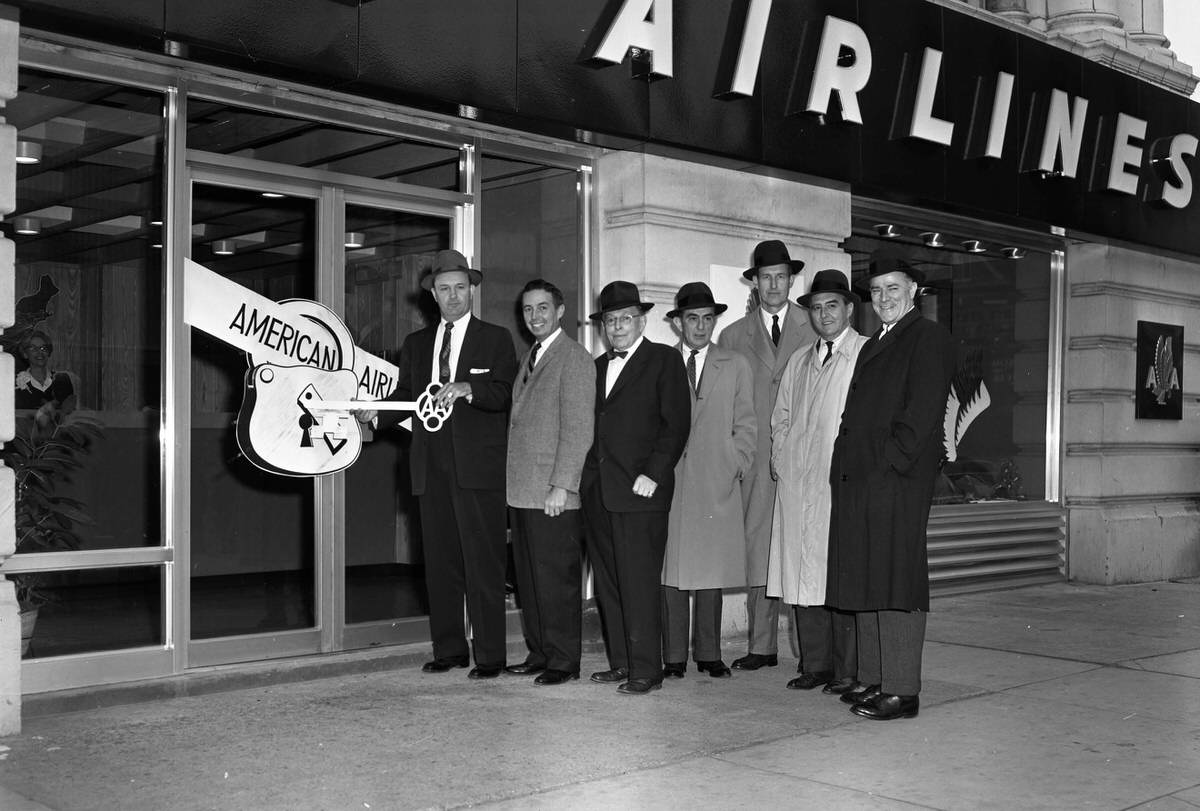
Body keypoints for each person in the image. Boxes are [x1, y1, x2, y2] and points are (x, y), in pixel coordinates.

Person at [356, 249, 517, 679]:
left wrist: (469, 387)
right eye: (444, 289)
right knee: (440, 564)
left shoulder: (496, 339)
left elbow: (506, 394)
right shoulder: (416, 344)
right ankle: (449, 650)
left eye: (460, 288)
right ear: (433, 295)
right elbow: (406, 396)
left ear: (472, 290)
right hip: (431, 467)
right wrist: (378, 413)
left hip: (478, 472)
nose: (453, 297)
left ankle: (490, 657)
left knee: (483, 566)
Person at [827, 257, 955, 721]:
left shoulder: (927, 337)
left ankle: (902, 691)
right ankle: (876, 678)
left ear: (914, 289)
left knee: (897, 577)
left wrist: (889, 466)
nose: (883, 298)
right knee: (868, 573)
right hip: (863, 479)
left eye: (893, 288)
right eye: (876, 290)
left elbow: (921, 414)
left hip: (894, 481)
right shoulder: (875, 342)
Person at [582, 281, 691, 695]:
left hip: (642, 491)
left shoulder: (663, 360)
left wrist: (654, 473)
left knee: (639, 582)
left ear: (642, 320)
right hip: (599, 493)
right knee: (609, 581)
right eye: (610, 320)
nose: (617, 327)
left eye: (625, 318)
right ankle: (622, 663)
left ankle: (647, 670)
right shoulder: (595, 367)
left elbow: (676, 425)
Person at [767, 270, 868, 695]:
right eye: (816, 307)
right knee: (801, 577)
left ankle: (847, 672)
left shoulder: (865, 353)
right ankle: (815, 665)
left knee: (838, 577)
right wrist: (782, 459)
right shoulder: (799, 360)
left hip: (839, 483)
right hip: (798, 482)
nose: (824, 314)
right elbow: (781, 418)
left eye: (833, 305)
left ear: (849, 308)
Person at [717, 240, 815, 670]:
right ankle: (761, 647)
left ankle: (813, 651)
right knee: (759, 551)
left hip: (803, 459)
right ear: (754, 282)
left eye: (781, 276)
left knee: (805, 549)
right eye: (766, 277)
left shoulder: (815, 324)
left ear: (792, 280)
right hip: (754, 461)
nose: (774, 285)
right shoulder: (733, 335)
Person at [661, 283, 756, 680]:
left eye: (707, 318)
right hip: (670, 479)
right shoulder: (663, 362)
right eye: (692, 318)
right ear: (678, 322)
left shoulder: (734, 363)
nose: (700, 326)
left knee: (710, 572)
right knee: (671, 571)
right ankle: (673, 657)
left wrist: (735, 462)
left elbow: (746, 423)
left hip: (716, 478)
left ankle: (708, 653)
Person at [505, 279, 596, 686]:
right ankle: (541, 651)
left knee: (556, 581)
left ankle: (563, 660)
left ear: (560, 311)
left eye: (543, 308)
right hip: (525, 490)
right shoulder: (533, 356)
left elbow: (579, 429)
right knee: (530, 579)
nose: (535, 316)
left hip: (553, 493)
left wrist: (563, 484)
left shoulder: (573, 358)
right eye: (528, 310)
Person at [14, 329, 76, 414]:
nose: (40, 352)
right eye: (33, 348)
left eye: (43, 348)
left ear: (49, 352)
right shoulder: (16, 383)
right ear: (25, 354)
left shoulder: (62, 380)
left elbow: (70, 414)